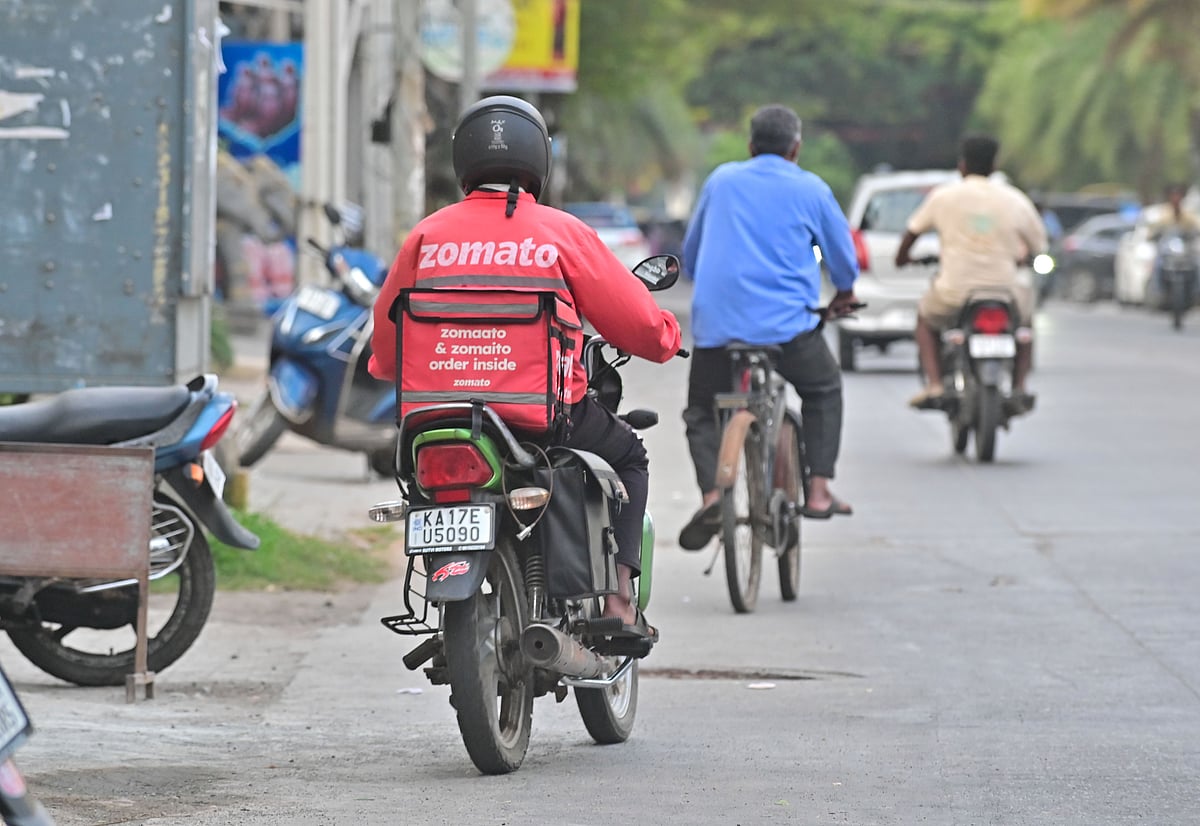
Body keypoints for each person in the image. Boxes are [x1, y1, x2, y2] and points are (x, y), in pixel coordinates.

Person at [368, 95, 681, 643]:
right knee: (629, 456)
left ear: (463, 161)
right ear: (539, 159)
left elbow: (387, 345)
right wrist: (665, 337)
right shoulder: (560, 233)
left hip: (435, 416)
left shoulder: (427, 236)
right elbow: (637, 323)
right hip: (542, 418)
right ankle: (619, 600)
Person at [677, 104, 860, 552]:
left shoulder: (720, 180)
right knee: (822, 389)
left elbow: (692, 254)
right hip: (787, 331)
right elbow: (843, 261)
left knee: (702, 410)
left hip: (719, 329)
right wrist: (844, 293)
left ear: (750, 146)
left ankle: (710, 496)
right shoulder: (811, 188)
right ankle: (817, 490)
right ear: (796, 149)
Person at [895, 134, 1047, 413]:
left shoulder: (943, 197)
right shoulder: (1015, 199)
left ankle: (935, 384)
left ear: (962, 165)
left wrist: (903, 258)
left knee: (925, 320)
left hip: (954, 291)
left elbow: (911, 233)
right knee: (1024, 328)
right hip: (1006, 291)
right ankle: (1020, 385)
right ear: (994, 165)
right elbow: (1040, 245)